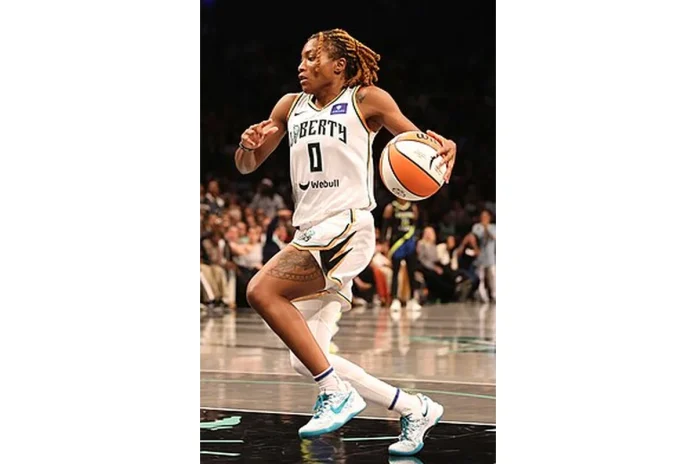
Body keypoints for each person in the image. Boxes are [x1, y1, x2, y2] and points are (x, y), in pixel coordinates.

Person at [234, 28, 456, 456]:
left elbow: (422, 147)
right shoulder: (289, 106)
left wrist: (445, 148)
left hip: (346, 226)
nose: (301, 65)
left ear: (339, 65)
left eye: (311, 57)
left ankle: (335, 393)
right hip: (310, 232)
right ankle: (415, 408)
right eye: (301, 58)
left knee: (261, 290)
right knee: (306, 358)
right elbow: (248, 165)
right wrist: (247, 148)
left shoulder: (367, 99)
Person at [382, 197, 421, 312]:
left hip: (410, 243)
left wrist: (417, 242)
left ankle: (412, 299)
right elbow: (385, 228)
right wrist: (384, 243)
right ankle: (395, 299)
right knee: (395, 272)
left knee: (411, 272)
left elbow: (417, 226)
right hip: (397, 244)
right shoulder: (391, 207)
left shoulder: (413, 207)